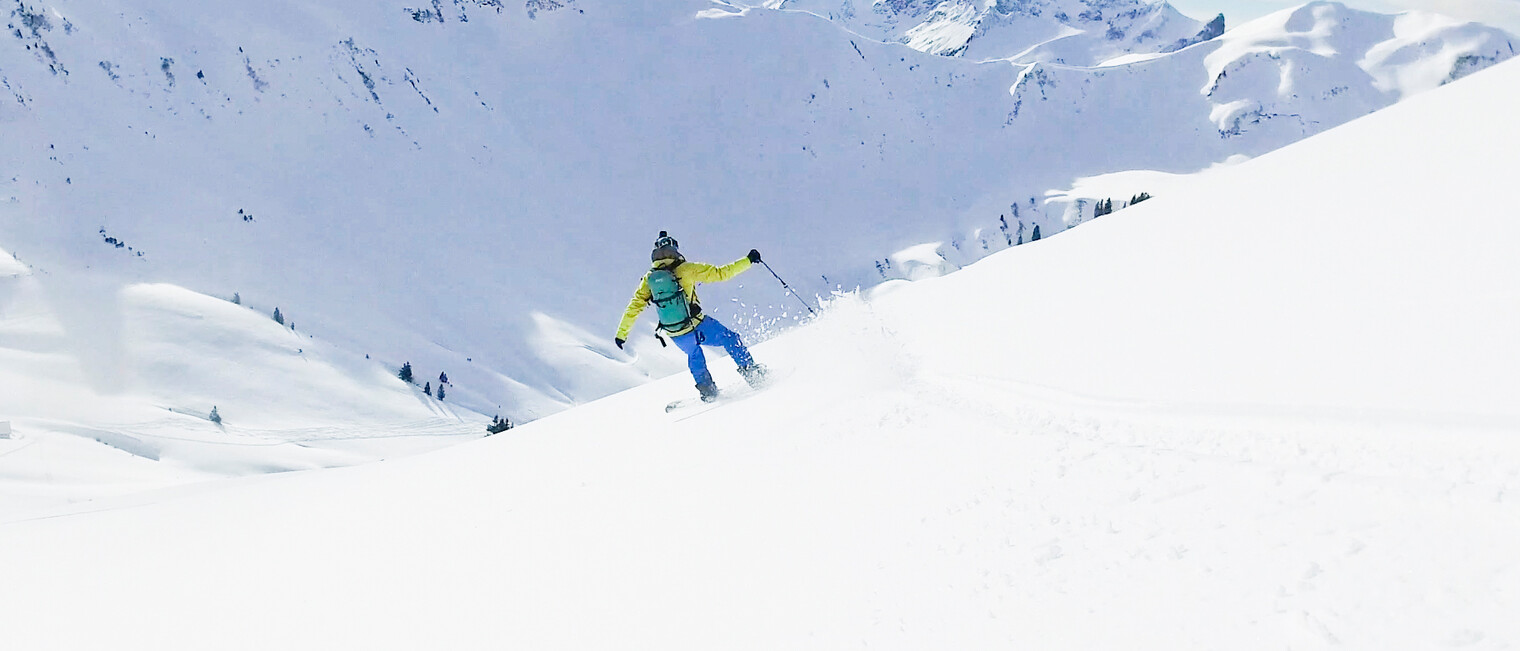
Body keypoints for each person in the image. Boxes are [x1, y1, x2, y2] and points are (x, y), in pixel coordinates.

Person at [615, 231, 768, 401]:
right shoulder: (687, 269)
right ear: (674, 248)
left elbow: (633, 307)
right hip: (696, 324)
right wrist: (748, 260)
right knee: (730, 338)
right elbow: (721, 273)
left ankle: (708, 391)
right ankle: (753, 374)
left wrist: (621, 335)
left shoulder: (649, 279)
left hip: (674, 332)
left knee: (694, 355)